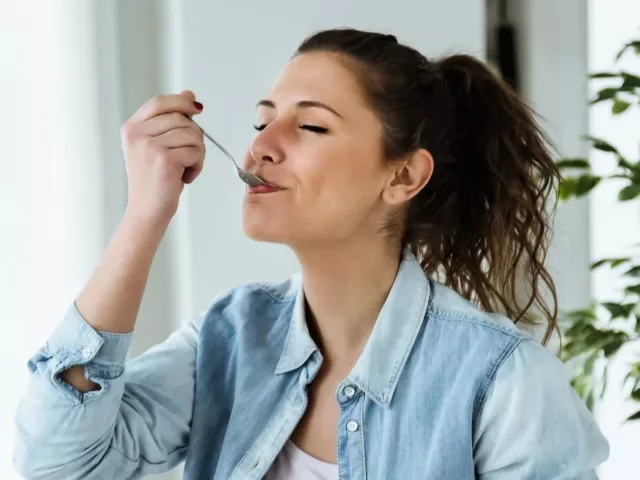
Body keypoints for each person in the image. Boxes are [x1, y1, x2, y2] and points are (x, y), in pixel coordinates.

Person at [14, 28, 608, 480]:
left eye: (312, 128)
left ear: (402, 176)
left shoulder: (504, 383)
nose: (260, 147)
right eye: (261, 121)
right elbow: (56, 463)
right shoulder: (228, 340)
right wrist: (145, 214)